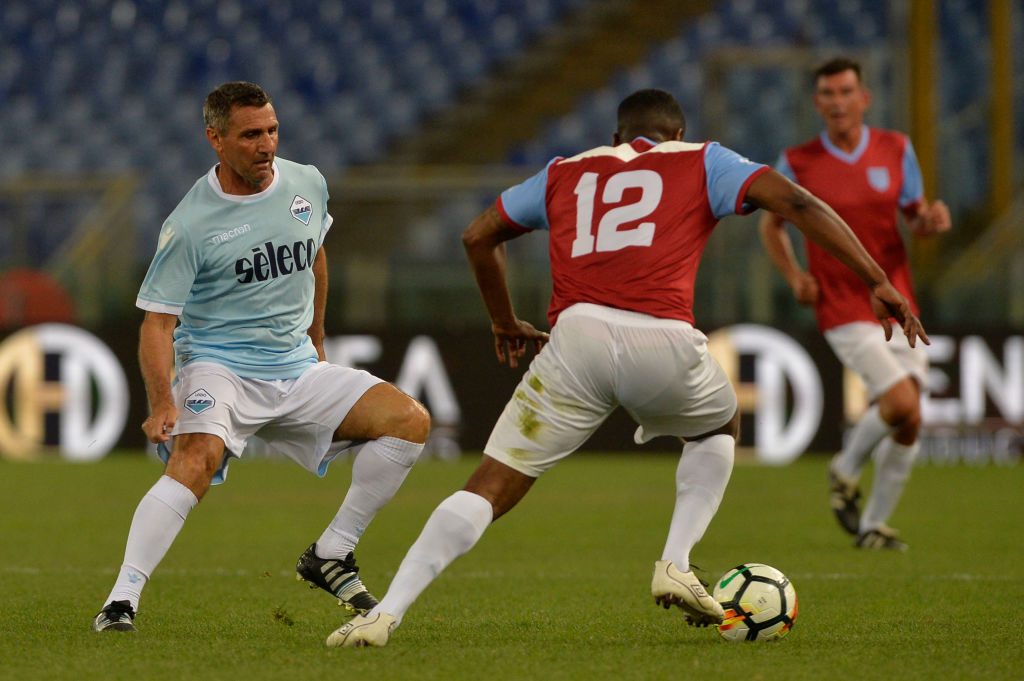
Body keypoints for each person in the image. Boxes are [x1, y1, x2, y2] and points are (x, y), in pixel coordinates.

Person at [325, 88, 928, 648]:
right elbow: (795, 201)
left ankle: (386, 613)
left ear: (618, 134)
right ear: (677, 133)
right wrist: (875, 278)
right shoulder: (703, 160)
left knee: (488, 486)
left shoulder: (564, 170)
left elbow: (477, 236)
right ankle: (675, 560)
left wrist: (504, 321)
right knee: (716, 429)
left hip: (575, 339)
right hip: (663, 337)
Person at [92, 82, 430, 632]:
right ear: (216, 140)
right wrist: (160, 404)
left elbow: (315, 256)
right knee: (196, 458)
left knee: (408, 422)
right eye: (250, 135)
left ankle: (331, 554)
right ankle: (121, 600)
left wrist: (318, 336)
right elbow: (157, 322)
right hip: (218, 366)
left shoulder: (307, 183)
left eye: (272, 130)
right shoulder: (190, 224)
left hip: (295, 366)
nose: (266, 144)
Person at [758, 57, 951, 552]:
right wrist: (795, 274)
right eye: (827, 93)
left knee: (911, 420)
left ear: (864, 97)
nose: (837, 101)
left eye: (846, 91)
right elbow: (770, 223)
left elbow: (914, 217)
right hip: (841, 302)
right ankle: (844, 468)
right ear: (817, 102)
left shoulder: (896, 149)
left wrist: (929, 221)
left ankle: (872, 527)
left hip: (896, 298)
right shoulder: (798, 162)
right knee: (901, 402)